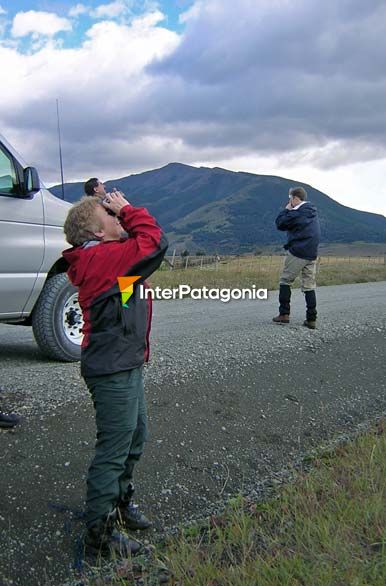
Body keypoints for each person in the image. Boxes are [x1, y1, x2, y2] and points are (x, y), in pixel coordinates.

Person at [63, 191, 168, 557]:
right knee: (114, 448)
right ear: (97, 231)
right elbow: (154, 240)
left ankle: (121, 503)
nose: (117, 217)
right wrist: (129, 209)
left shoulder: (104, 261)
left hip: (124, 362)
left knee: (136, 435)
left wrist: (134, 284)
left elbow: (119, 303)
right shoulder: (101, 258)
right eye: (109, 215)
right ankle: (100, 536)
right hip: (112, 369)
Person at [272, 186, 321, 329]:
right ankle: (311, 319)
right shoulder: (312, 211)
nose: (289, 201)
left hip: (298, 251)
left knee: (285, 281)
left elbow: (280, 224)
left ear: (294, 198)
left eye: (290, 199)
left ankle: (284, 314)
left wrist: (287, 209)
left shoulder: (299, 212)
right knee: (309, 285)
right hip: (312, 253)